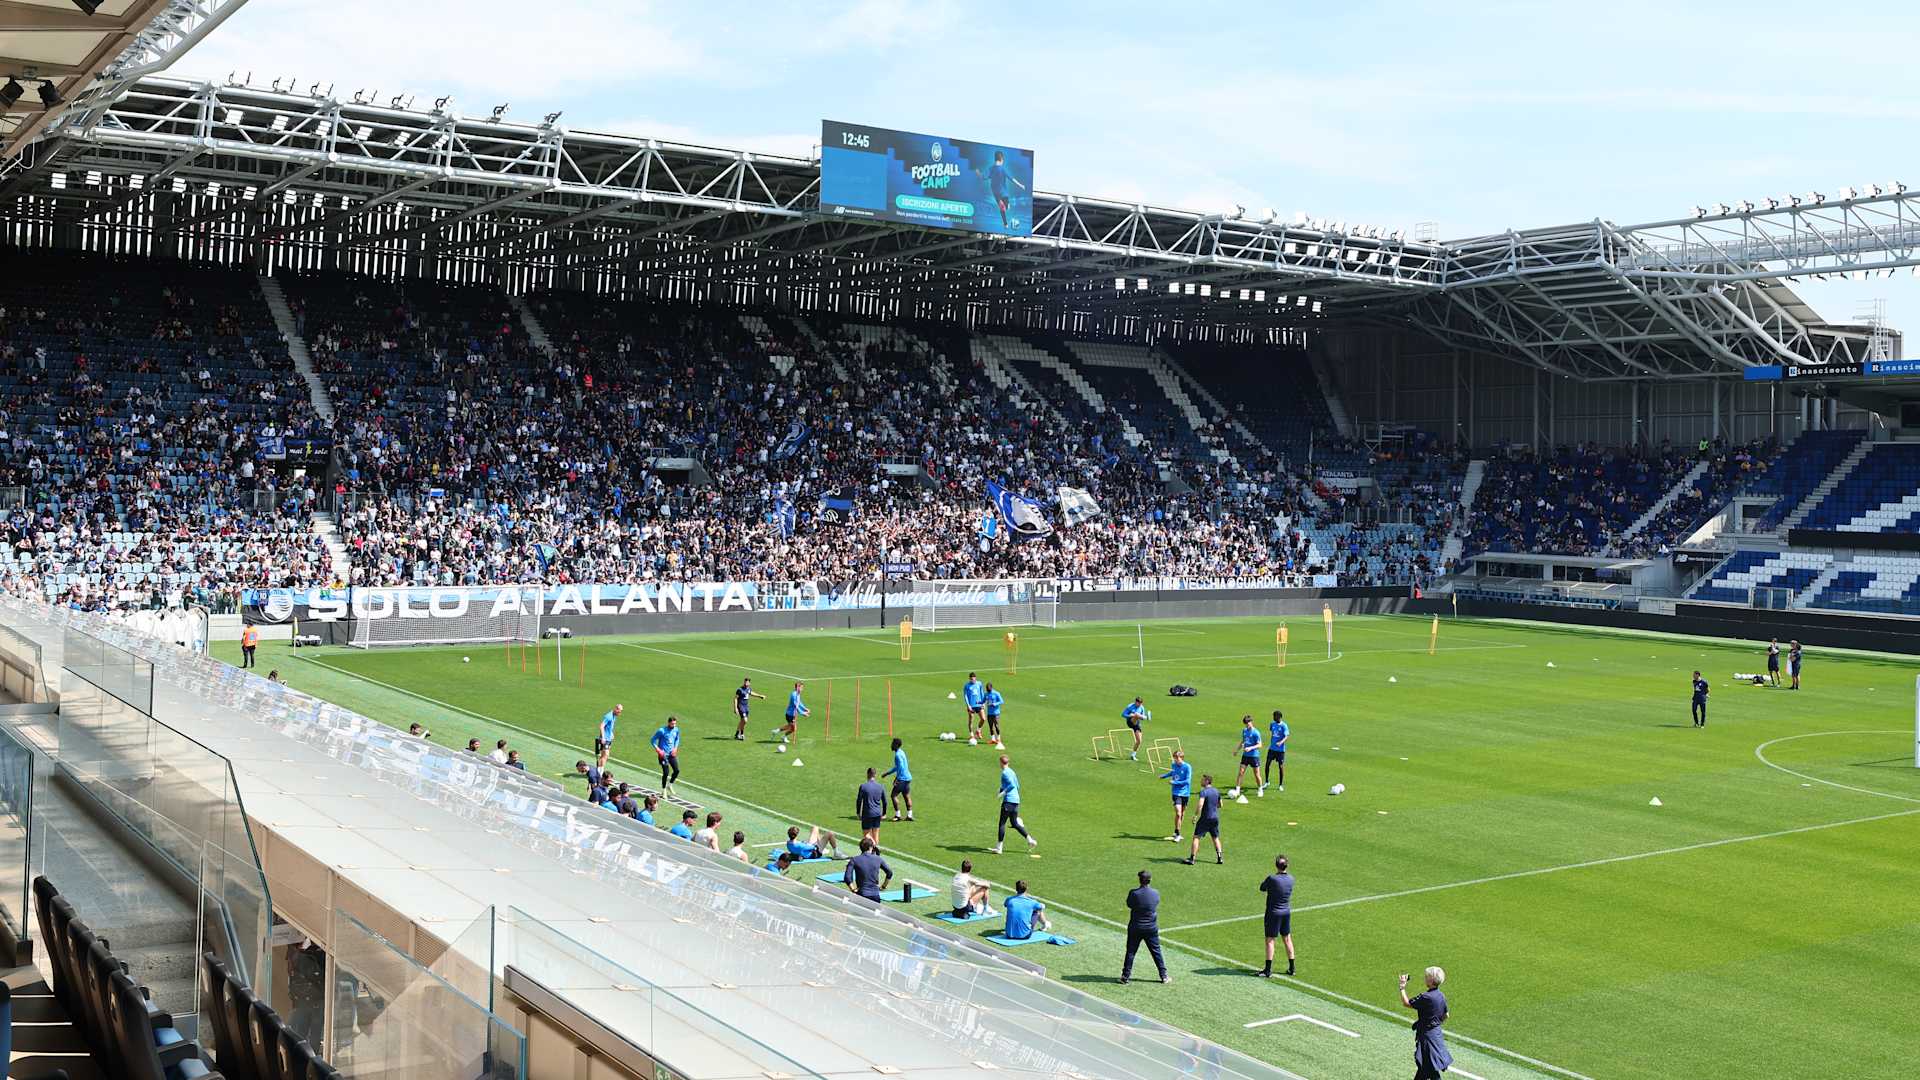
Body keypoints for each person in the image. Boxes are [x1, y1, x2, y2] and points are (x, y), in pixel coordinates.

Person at [1401, 967, 1453, 1079]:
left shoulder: (1426, 997)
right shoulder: (1441, 995)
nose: (1425, 978)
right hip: (1436, 1034)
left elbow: (1406, 1003)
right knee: (1427, 1067)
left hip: (1427, 1037)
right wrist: (1434, 1024)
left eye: (1426, 977)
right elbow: (1446, 1015)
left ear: (1431, 980)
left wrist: (1402, 987)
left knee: (1427, 1067)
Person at [1121, 870, 1168, 984]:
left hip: (1136, 927)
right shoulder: (1155, 893)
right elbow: (1155, 904)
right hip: (1151, 927)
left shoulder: (1134, 893)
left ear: (1140, 880)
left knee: (1131, 952)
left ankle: (1125, 977)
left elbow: (1129, 904)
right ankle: (1164, 976)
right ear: (1150, 880)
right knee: (1156, 951)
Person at [992, 754, 1036, 854]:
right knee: (1014, 823)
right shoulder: (1012, 772)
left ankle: (999, 848)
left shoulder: (1005, 773)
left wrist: (1003, 793)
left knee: (1002, 823)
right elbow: (1017, 786)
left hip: (1008, 801)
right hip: (1016, 801)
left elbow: (1011, 785)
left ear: (1001, 763)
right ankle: (1030, 840)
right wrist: (1001, 788)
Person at [1258, 854, 1294, 977]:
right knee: (1287, 939)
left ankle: (1267, 970)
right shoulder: (1291, 879)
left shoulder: (1272, 879)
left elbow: (1262, 888)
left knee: (1270, 940)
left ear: (1276, 865)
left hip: (1273, 913)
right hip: (1286, 912)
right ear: (1287, 866)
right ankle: (1292, 968)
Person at [980, 149, 1027, 230]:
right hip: (1001, 192)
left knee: (1004, 207)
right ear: (1002, 159)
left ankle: (1006, 220)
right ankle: (1005, 223)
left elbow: (985, 177)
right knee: (1002, 207)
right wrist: (1021, 185)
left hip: (998, 192)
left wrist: (979, 174)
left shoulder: (992, 169)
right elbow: (1012, 179)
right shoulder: (1001, 169)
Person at [1184, 774, 1223, 865]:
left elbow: (1200, 804)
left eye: (1202, 780)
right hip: (1215, 818)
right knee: (1215, 837)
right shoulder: (1216, 791)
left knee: (1196, 837)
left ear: (1207, 781)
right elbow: (1220, 805)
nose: (1201, 781)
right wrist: (1212, 806)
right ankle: (1220, 858)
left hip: (1205, 818)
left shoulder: (1204, 792)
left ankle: (1192, 858)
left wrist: (1195, 815)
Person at [1158, 748, 1192, 842]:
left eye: (1177, 758)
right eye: (1174, 758)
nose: (1175, 760)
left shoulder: (1187, 767)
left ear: (1182, 758)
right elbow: (1173, 772)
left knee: (1182, 814)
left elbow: (1187, 781)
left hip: (1185, 793)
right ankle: (1177, 834)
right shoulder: (1174, 765)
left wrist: (1174, 782)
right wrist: (1164, 776)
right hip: (1176, 793)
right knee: (1178, 812)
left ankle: (1177, 831)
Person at [845, 837, 893, 902]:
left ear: (860, 848)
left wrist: (853, 889)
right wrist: (883, 886)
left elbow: (847, 877)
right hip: (875, 895)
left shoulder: (854, 860)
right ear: (871, 847)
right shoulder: (878, 859)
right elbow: (889, 872)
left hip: (862, 894)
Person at [882, 738, 914, 821]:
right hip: (908, 778)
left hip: (902, 779)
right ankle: (910, 815)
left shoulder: (897, 755)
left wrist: (897, 779)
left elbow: (901, 767)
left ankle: (898, 815)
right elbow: (897, 767)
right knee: (906, 796)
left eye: (892, 744)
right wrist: (887, 773)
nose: (891, 745)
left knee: (893, 795)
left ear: (896, 745)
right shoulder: (901, 752)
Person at [1230, 715, 1262, 798]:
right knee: (1241, 772)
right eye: (1246, 723)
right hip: (1245, 755)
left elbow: (1260, 745)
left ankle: (1260, 789)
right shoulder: (1244, 731)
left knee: (1256, 774)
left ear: (1251, 722)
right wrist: (1237, 750)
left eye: (1248, 723)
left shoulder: (1256, 732)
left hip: (1254, 756)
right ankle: (1237, 790)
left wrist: (1250, 748)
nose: (1247, 725)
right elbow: (1243, 741)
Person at [856, 767, 888, 846]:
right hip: (877, 813)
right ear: (875, 775)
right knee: (876, 833)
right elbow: (885, 802)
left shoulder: (863, 786)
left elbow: (859, 801)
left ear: (867, 774)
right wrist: (884, 813)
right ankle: (875, 850)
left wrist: (858, 812)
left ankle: (872, 848)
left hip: (867, 813)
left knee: (866, 834)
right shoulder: (880, 786)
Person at [651, 715, 682, 795]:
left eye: (675, 724)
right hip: (663, 755)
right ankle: (663, 789)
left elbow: (677, 739)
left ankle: (670, 785)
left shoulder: (676, 729)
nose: (673, 725)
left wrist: (675, 748)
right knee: (666, 772)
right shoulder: (662, 731)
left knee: (676, 770)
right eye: (672, 724)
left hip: (672, 754)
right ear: (668, 723)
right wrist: (658, 749)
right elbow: (652, 740)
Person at [776, 681, 807, 749]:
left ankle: (779, 733)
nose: (802, 689)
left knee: (792, 728)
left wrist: (805, 709)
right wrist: (803, 713)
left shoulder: (798, 694)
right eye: (801, 687)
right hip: (790, 714)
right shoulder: (794, 695)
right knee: (793, 728)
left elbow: (799, 702)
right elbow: (796, 706)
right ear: (797, 687)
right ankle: (780, 733)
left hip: (793, 714)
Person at [1264, 710, 1288, 793]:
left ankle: (1280, 785)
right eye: (1273, 716)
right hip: (1272, 749)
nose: (1273, 718)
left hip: (1280, 751)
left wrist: (1280, 742)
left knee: (1280, 766)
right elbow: (1272, 733)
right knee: (1267, 764)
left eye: (1275, 716)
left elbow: (1286, 736)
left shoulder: (1284, 726)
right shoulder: (1272, 724)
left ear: (1279, 717)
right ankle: (1267, 782)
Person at [963, 673, 987, 745]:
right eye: (971, 679)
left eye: (973, 679)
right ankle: (971, 734)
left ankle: (978, 730)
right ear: (969, 679)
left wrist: (983, 703)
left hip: (979, 704)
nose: (972, 680)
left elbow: (982, 693)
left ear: (975, 678)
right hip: (971, 706)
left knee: (983, 719)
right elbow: (965, 696)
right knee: (971, 720)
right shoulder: (966, 686)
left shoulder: (979, 684)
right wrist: (968, 705)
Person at [984, 681, 1006, 748]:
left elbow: (1002, 701)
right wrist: (978, 702)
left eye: (989, 689)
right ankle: (993, 739)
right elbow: (983, 700)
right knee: (990, 726)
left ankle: (999, 739)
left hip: (996, 713)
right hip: (989, 713)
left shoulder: (996, 693)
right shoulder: (986, 694)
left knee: (996, 726)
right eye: (987, 689)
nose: (988, 690)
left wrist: (995, 704)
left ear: (991, 687)